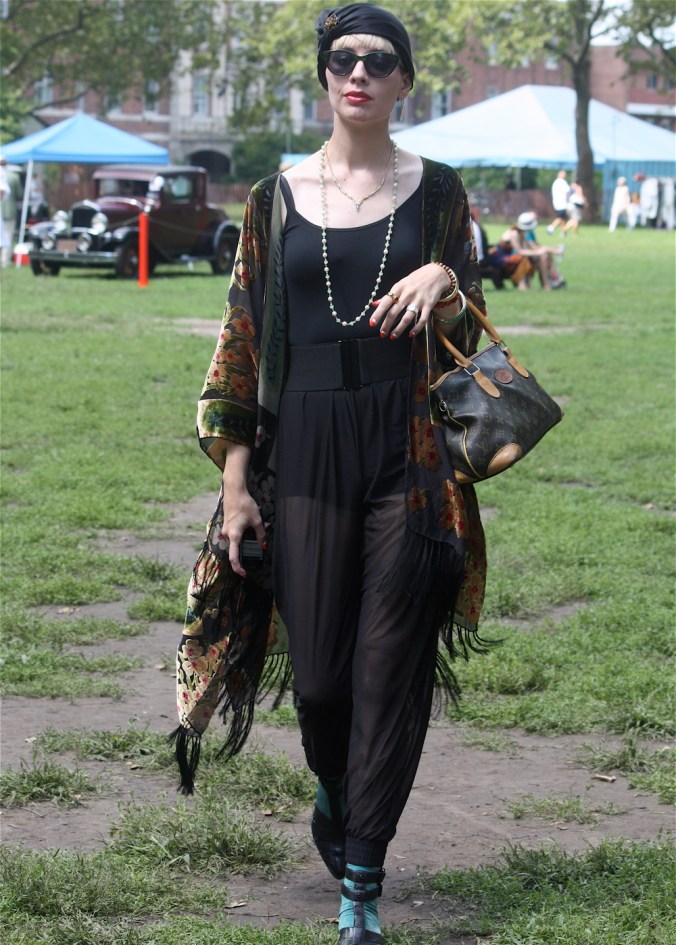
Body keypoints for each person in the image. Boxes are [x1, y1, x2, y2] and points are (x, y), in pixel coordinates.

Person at [171, 5, 492, 943]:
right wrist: (236, 483)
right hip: (303, 446)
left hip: (409, 451)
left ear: (403, 82)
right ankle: (335, 788)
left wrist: (445, 280)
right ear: (324, 77)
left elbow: (472, 332)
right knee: (318, 682)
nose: (358, 72)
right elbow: (241, 339)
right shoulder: (272, 197)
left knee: (389, 669)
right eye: (342, 58)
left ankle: (362, 881)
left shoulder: (440, 193)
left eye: (378, 60)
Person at [505, 211, 565, 289]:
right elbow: (519, 251)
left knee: (544, 256)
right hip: (516, 258)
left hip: (525, 256)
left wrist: (545, 250)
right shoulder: (514, 233)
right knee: (542, 255)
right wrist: (537, 252)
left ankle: (547, 283)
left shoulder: (524, 232)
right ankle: (548, 283)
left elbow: (533, 246)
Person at [0, 156, 22, 268]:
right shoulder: (14, 176)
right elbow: (19, 194)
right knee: (7, 235)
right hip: (9, 210)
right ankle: (5, 260)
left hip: (4, 210)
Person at [546, 169, 570, 234]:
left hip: (557, 203)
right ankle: (551, 227)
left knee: (563, 218)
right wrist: (568, 201)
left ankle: (564, 232)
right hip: (562, 203)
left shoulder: (555, 182)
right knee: (560, 218)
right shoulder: (562, 182)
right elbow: (567, 192)